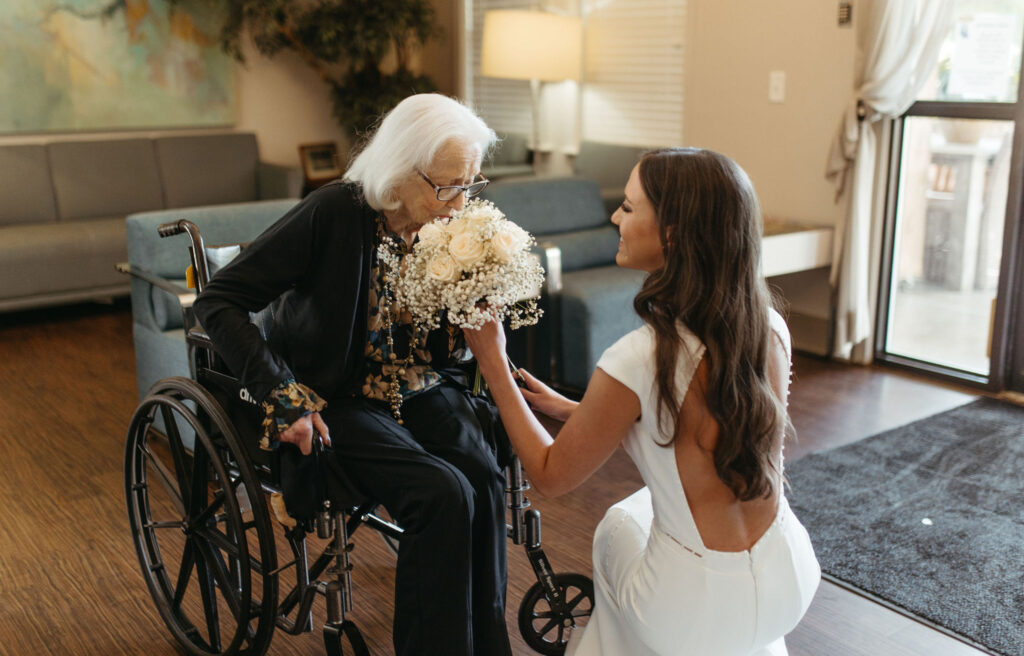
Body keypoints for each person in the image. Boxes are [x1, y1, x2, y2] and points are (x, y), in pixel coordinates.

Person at [464, 147, 821, 655]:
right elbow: (701, 427)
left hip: (694, 610)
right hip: (791, 580)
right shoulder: (771, 329)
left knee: (616, 528)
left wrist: (493, 359)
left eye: (628, 208)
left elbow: (549, 474)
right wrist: (577, 412)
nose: (614, 216)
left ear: (672, 233)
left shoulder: (638, 358)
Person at [193, 93, 513, 656]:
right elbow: (219, 301)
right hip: (333, 392)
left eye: (469, 184)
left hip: (415, 383)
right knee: (441, 492)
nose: (459, 203)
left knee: (484, 481)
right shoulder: (335, 212)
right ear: (397, 169)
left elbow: (444, 344)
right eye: (445, 187)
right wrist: (283, 397)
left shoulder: (448, 224)